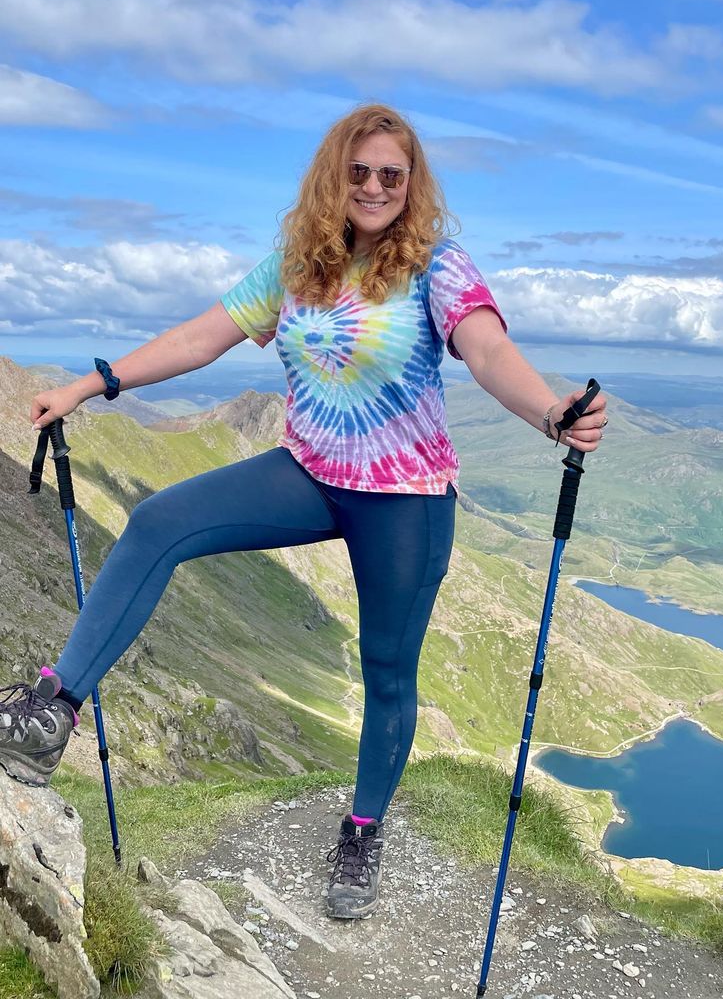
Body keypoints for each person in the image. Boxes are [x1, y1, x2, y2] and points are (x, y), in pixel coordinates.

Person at [0, 103, 607, 919]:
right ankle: (50, 714)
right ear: (335, 175)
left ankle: (362, 830)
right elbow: (199, 337)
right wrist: (89, 384)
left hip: (406, 498)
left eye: (392, 174)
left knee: (388, 672)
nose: (375, 187)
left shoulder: (436, 264)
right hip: (309, 472)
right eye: (359, 171)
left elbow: (487, 348)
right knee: (157, 523)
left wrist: (548, 413)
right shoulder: (296, 264)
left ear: (411, 185)